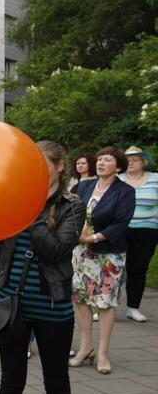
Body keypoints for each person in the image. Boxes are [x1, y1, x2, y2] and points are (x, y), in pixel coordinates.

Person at [0, 141, 85, 394]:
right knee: (10, 381)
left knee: (56, 382)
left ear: (59, 166)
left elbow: (55, 250)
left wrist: (31, 210)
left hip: (52, 306)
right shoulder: (13, 197)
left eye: (39, 162)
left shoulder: (72, 205)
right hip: (12, 305)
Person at [70, 146, 135, 376]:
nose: (100, 163)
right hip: (82, 252)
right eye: (99, 159)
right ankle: (85, 347)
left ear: (117, 167)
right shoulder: (84, 186)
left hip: (109, 254)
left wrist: (94, 237)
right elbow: (70, 210)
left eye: (107, 160)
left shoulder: (125, 191)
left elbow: (120, 222)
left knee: (106, 302)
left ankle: (103, 353)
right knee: (81, 298)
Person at [119, 146, 157, 322]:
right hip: (119, 229)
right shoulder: (117, 179)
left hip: (147, 230)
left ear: (143, 162)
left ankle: (133, 308)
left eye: (135, 159)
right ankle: (104, 306)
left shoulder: (155, 179)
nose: (131, 162)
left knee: (138, 269)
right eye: (127, 159)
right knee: (114, 268)